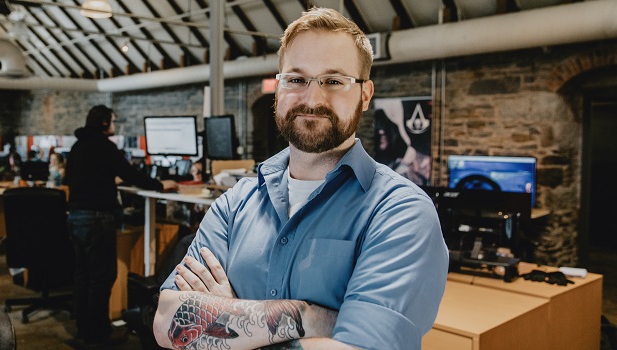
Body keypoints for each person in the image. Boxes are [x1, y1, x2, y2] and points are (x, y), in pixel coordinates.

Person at [152, 8, 448, 350]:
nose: (312, 98)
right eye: (296, 79)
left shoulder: (401, 213)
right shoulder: (237, 202)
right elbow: (168, 322)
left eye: (334, 81)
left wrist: (230, 321)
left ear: (365, 95)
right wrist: (311, 318)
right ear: (279, 88)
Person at [63, 105, 177, 348]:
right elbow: (131, 174)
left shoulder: (77, 146)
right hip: (97, 218)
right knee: (102, 278)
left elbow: (70, 178)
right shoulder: (105, 147)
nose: (114, 125)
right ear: (104, 123)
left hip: (75, 218)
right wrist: (160, 185)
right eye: (113, 120)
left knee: (83, 276)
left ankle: (84, 329)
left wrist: (103, 176)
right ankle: (99, 334)